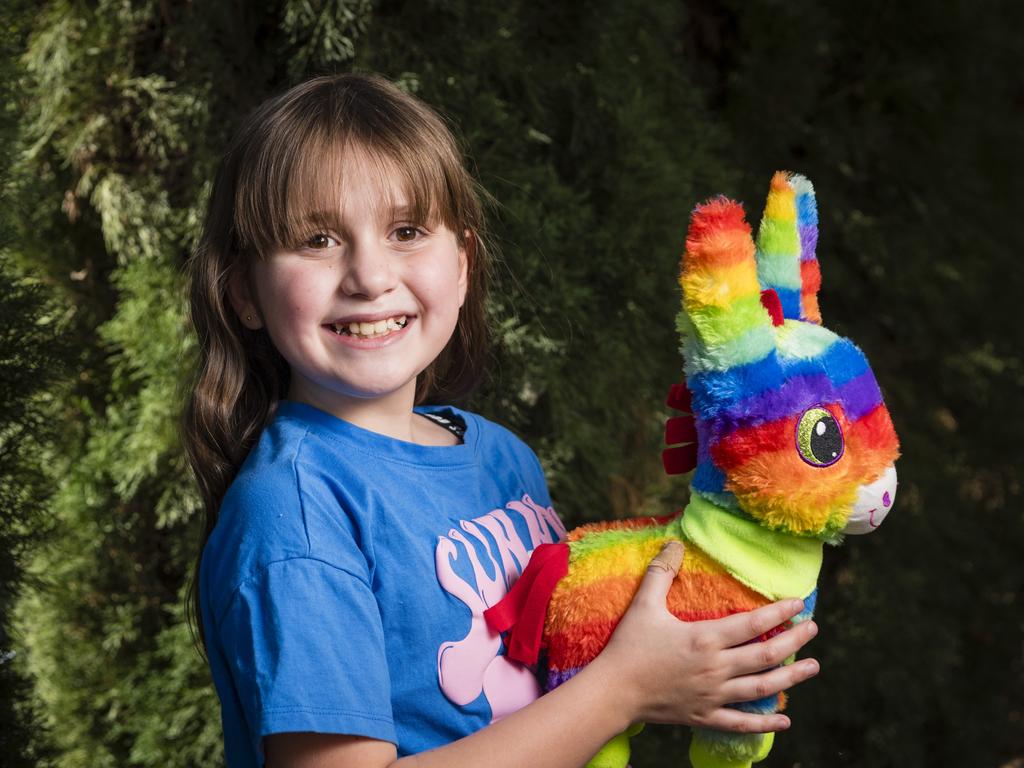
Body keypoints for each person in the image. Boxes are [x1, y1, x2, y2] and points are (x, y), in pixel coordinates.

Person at [182, 72, 820, 768]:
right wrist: (626, 687)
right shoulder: (297, 512)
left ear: (461, 265)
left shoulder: (499, 456)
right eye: (316, 239)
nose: (368, 276)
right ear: (244, 291)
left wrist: (688, 626)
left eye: (404, 230)